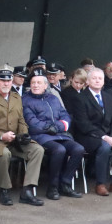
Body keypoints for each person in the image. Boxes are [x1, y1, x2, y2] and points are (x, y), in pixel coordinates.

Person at [0, 65, 45, 206]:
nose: (6, 83)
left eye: (9, 80)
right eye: (2, 80)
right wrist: (2, 136)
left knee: (38, 150)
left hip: (14, 139)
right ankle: (4, 190)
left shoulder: (15, 97)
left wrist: (23, 134)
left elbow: (21, 120)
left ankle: (27, 190)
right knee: (4, 153)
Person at [22, 69, 84, 200]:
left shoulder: (54, 98)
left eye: (39, 83)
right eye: (33, 83)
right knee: (59, 150)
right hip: (40, 135)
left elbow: (65, 116)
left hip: (59, 133)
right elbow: (31, 121)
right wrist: (48, 128)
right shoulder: (25, 100)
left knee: (78, 149)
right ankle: (52, 187)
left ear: (46, 85)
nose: (35, 85)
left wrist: (57, 127)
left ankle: (65, 184)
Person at [73, 67, 112, 195]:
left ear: (104, 81)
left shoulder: (109, 97)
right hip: (88, 137)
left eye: (100, 78)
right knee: (105, 147)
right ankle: (100, 184)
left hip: (109, 136)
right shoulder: (80, 98)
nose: (97, 81)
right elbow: (84, 125)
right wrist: (106, 137)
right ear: (87, 81)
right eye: (94, 78)